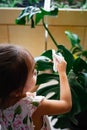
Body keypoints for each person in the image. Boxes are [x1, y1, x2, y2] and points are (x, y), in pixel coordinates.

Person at [0, 44, 72, 130]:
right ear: (17, 91)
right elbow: (66, 105)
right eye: (32, 72)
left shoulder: (5, 98)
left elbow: (26, 93)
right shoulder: (34, 106)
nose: (36, 72)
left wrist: (43, 73)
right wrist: (62, 72)